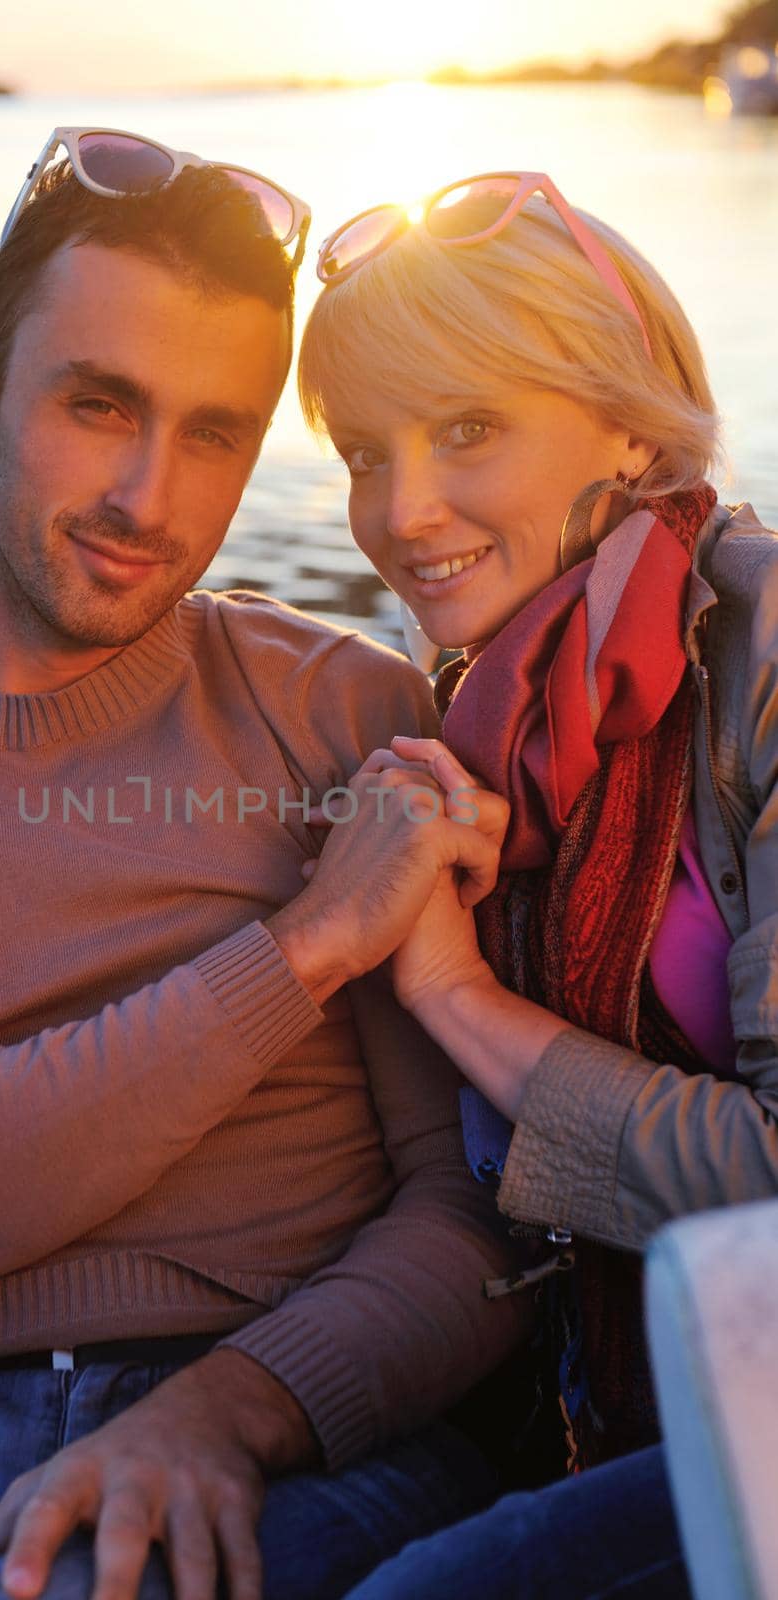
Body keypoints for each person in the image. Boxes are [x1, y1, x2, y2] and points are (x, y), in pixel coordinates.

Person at [0, 134, 529, 1600]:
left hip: (291, 1420)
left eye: (216, 433)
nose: (151, 500)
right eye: (100, 406)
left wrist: (230, 1411)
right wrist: (309, 948)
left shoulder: (341, 706)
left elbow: (468, 1217)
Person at [292, 170, 778, 1598]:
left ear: (632, 422)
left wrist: (446, 987)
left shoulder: (757, 663)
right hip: (610, 1382)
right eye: (363, 451)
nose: (400, 510)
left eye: (466, 431)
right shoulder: (494, 719)